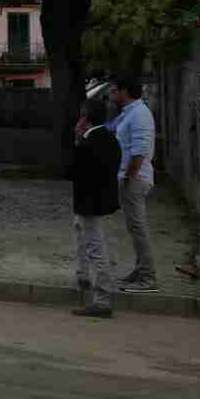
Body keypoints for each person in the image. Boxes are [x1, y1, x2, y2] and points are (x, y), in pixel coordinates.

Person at [72, 96, 123, 318]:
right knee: (96, 243)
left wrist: (77, 139)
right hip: (104, 202)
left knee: (95, 249)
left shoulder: (88, 142)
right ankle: (84, 277)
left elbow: (72, 170)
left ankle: (102, 300)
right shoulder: (111, 139)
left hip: (89, 204)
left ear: (85, 118)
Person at [110, 75, 159, 292]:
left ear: (125, 91)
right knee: (134, 228)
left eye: (114, 90)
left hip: (135, 179)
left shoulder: (139, 114)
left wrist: (128, 178)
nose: (111, 94)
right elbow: (112, 129)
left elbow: (139, 152)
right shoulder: (129, 113)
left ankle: (148, 278)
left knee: (138, 228)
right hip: (130, 177)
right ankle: (140, 271)